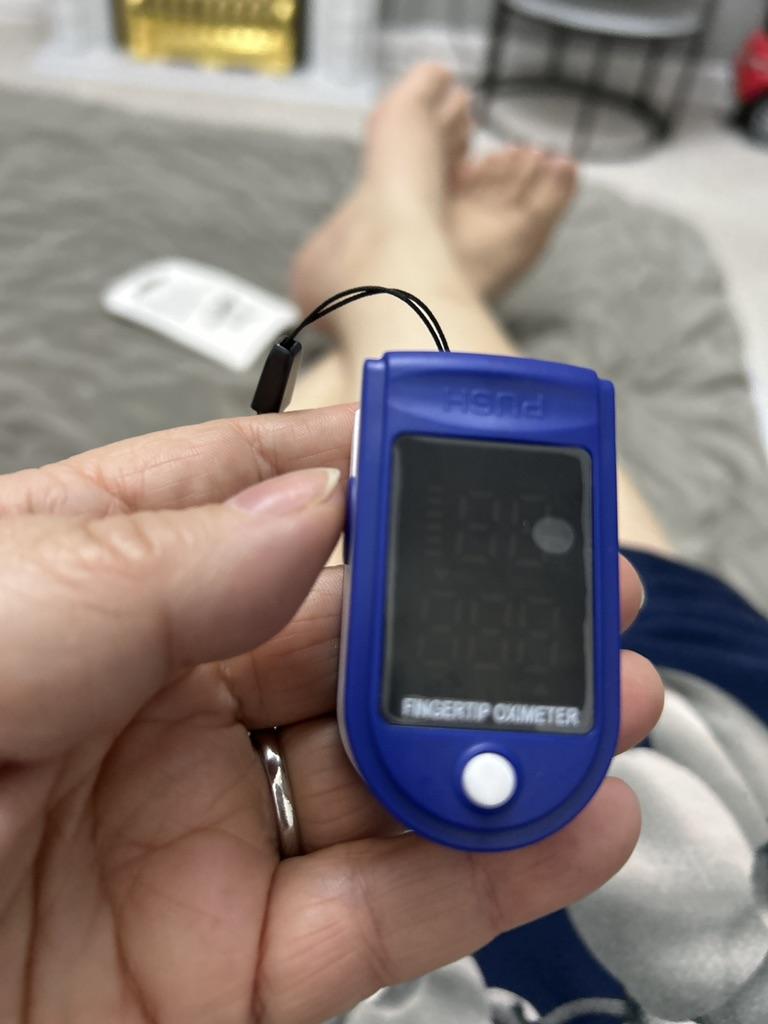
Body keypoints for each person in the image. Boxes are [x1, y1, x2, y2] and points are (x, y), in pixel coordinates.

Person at [5, 62, 762, 1023]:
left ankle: (395, 270)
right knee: (612, 584)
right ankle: (401, 266)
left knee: (393, 510)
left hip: (370, 913)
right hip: (712, 764)